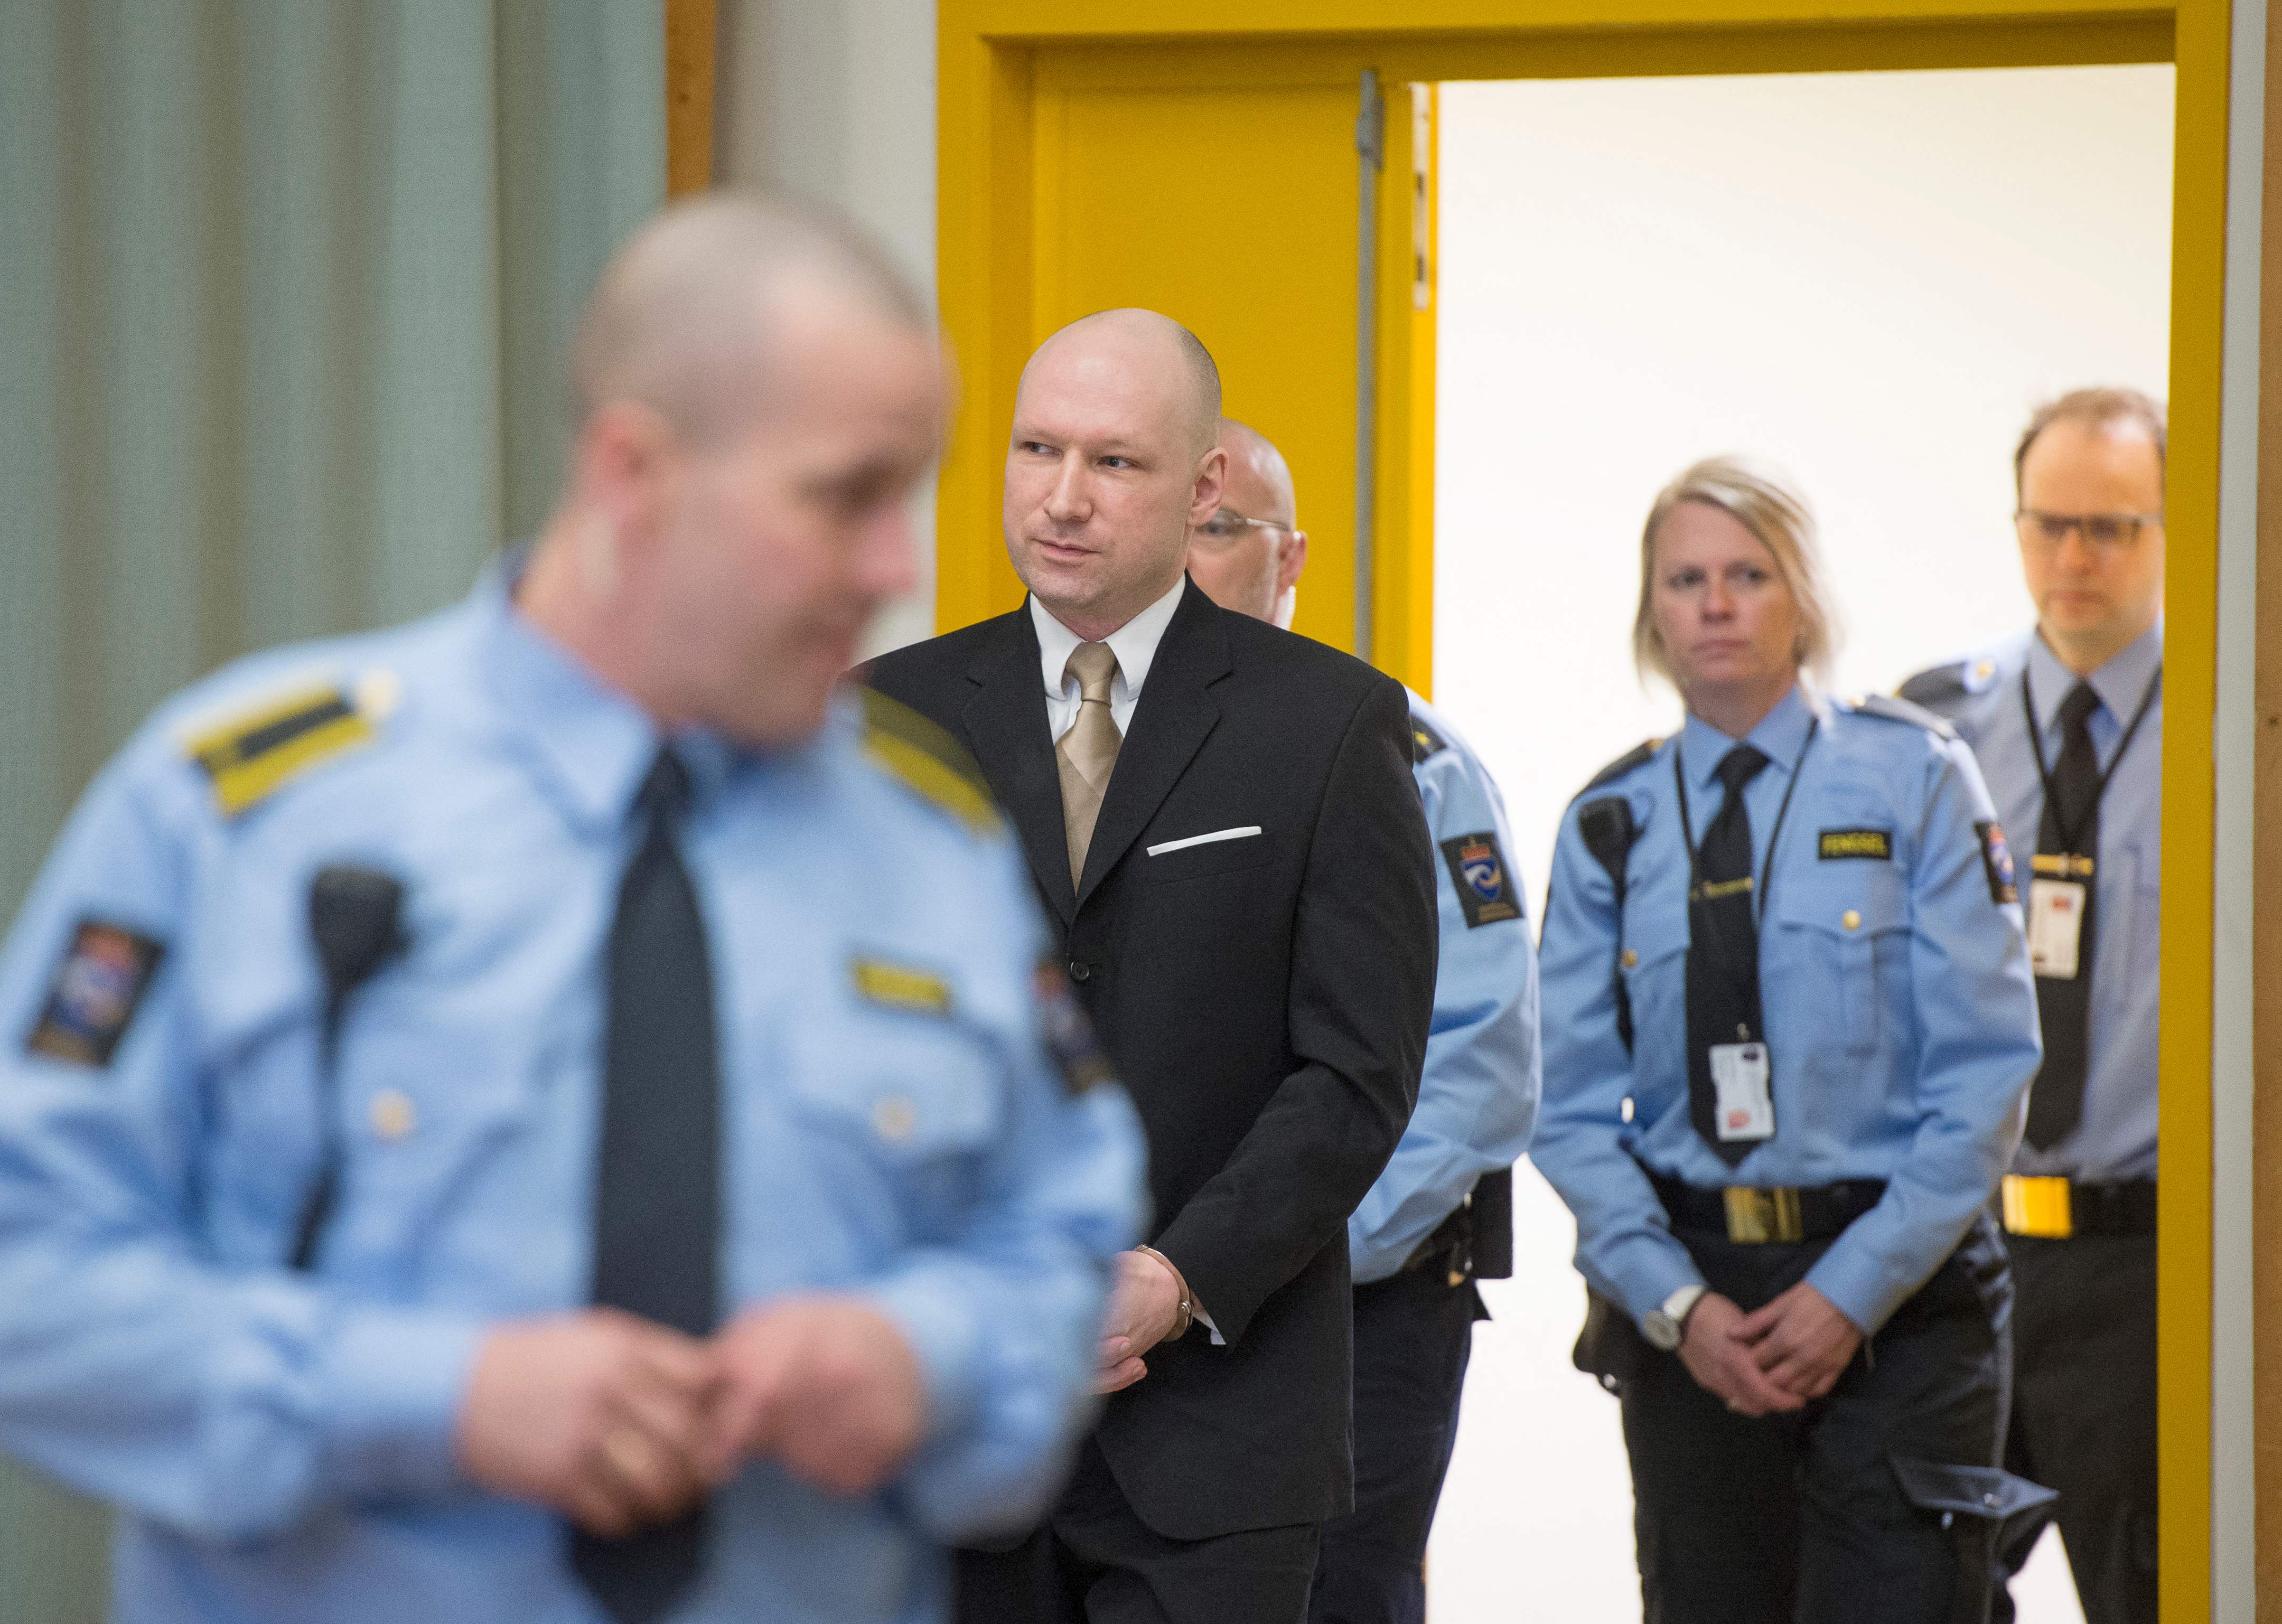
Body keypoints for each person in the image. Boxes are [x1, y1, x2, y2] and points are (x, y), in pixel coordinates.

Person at [0, 194, 1147, 1624]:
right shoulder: (245, 812)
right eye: (844, 497)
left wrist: (928, 1355)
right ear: (633, 472)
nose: (895, 569)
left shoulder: (928, 841)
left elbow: (1057, 1232)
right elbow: (29, 1274)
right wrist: (437, 1396)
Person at [861, 311, 1438, 1624]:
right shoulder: (883, 719)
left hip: (1220, 1443)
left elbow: (1357, 1072)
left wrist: (1177, 1280)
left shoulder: (1330, 722)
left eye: (1114, 463)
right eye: (1036, 449)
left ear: (1204, 486)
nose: (1062, 499)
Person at [1532, 455, 2049, 1622]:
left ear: (1802, 598)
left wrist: (1848, 1295)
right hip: (1694, 1310)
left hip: (1899, 1297)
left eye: (1748, 574)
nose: (1715, 603)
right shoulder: (1609, 821)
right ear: (1652, 611)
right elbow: (1565, 1107)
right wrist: (1680, 1306)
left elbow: (1985, 1075)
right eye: (1685, 579)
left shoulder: (1916, 779)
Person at [1184, 419, 1539, 1624]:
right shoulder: (1082, 762)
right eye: (1171, 522)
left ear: (1288, 562)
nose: (1188, 557)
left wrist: (1266, 1252)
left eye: (1221, 530)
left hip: (1358, 1293)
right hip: (1154, 1306)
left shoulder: (1401, 751)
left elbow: (1480, 1072)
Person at [1900, 388, 2166, 1624]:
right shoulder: (1932, 726)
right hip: (1967, 1251)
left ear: (2169, 528)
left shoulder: (2231, 726)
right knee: (1921, 1586)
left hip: (2147, 1267)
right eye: (2050, 522)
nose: (2074, 557)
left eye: (2110, 527)